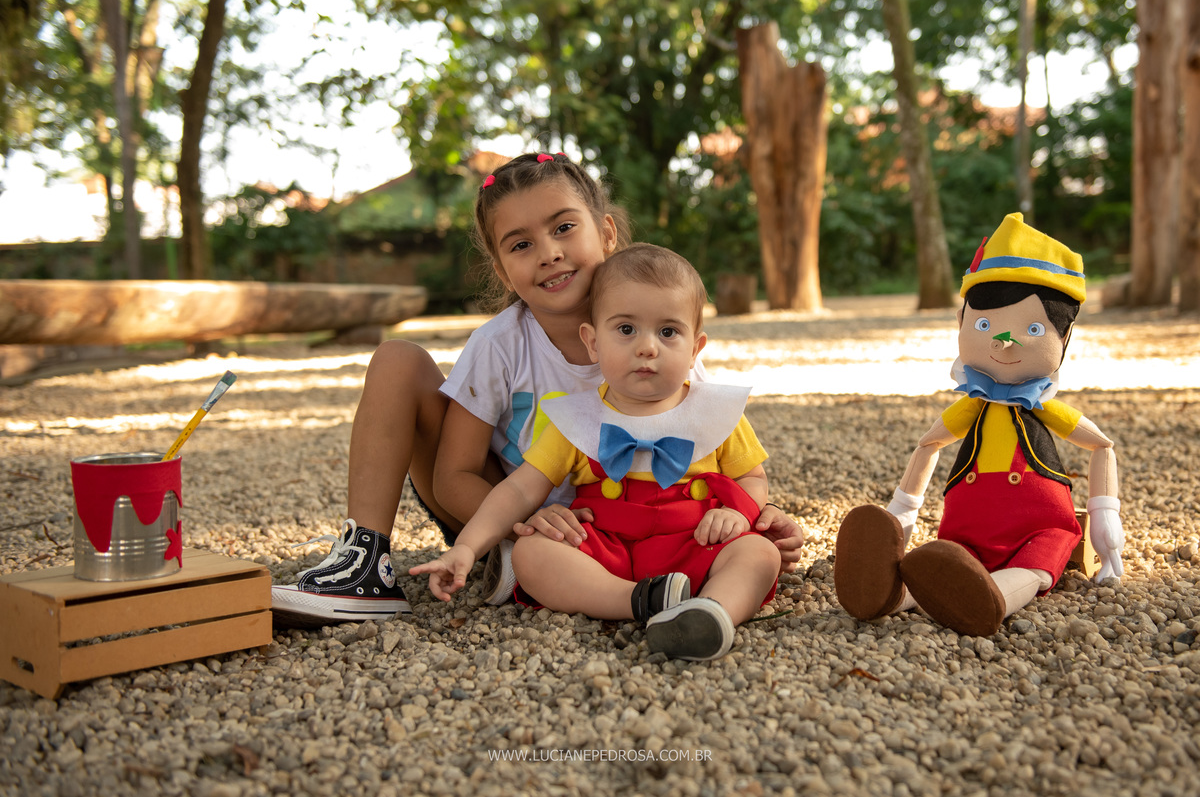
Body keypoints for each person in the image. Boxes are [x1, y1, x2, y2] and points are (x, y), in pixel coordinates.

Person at [272, 153, 806, 626]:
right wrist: (522, 521)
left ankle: (682, 603)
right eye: (522, 244)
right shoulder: (500, 345)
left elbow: (714, 453)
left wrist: (750, 518)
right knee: (397, 359)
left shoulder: (659, 339)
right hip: (506, 512)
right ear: (503, 271)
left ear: (607, 233)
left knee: (748, 553)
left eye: (564, 228)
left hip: (646, 529)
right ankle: (365, 562)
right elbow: (452, 477)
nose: (548, 253)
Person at [410, 243, 785, 661]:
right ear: (592, 342)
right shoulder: (577, 418)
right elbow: (518, 491)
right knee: (532, 553)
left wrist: (739, 513)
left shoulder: (716, 411)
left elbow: (752, 478)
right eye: (626, 330)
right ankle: (640, 600)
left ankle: (712, 613)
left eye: (668, 332)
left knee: (758, 553)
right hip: (607, 553)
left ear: (695, 348)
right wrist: (467, 547)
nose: (647, 347)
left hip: (696, 542)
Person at [833, 213, 1124, 636]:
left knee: (1035, 566)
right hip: (968, 528)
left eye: (1033, 328)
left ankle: (991, 600)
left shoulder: (1040, 406)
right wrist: (902, 513)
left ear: (1064, 339)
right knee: (947, 561)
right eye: (985, 325)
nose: (1004, 342)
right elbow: (929, 445)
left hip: (1038, 526)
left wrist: (1105, 515)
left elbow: (1101, 445)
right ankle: (886, 594)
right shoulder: (972, 405)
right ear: (961, 322)